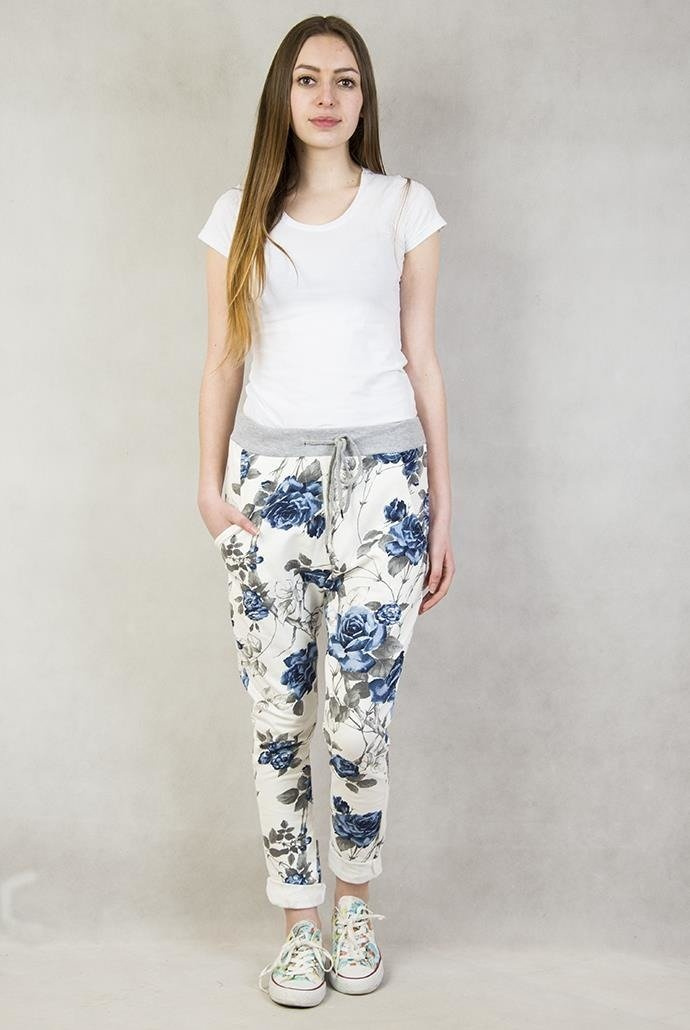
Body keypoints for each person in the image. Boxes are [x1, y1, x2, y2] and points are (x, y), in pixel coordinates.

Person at [196, 14, 455, 1008]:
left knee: (359, 723)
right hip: (268, 492)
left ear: (363, 97)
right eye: (308, 78)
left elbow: (423, 361)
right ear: (284, 93)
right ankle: (298, 928)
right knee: (279, 718)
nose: (326, 96)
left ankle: (353, 910)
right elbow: (222, 357)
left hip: (386, 487)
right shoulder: (239, 217)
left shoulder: (403, 208)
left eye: (345, 80)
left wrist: (443, 508)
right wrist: (208, 485)